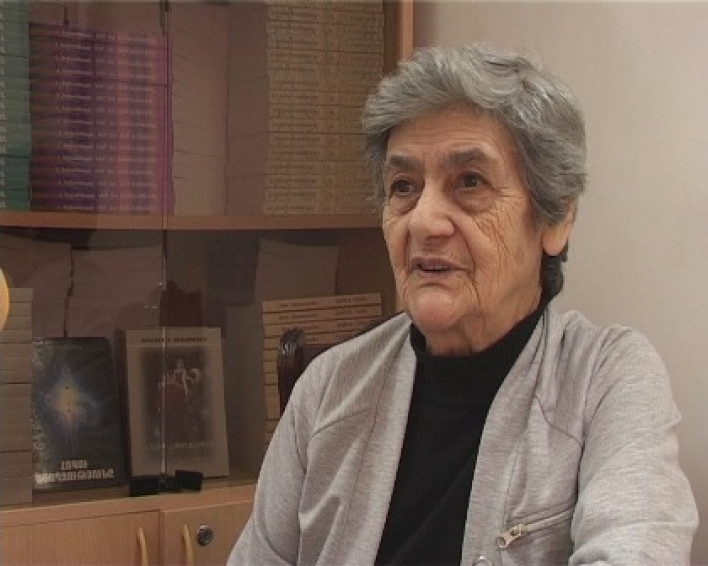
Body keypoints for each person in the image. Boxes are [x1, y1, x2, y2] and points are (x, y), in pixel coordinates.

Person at [228, 44, 698, 565]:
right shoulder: (330, 388)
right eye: (403, 187)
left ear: (555, 218)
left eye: (470, 182)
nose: (424, 221)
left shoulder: (605, 379)